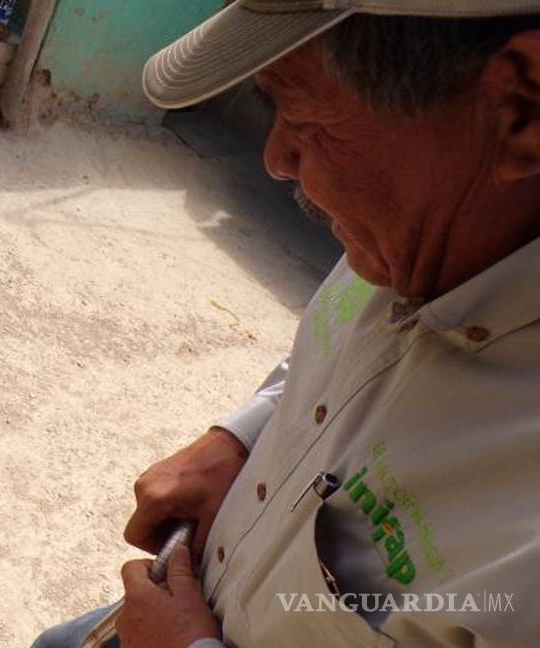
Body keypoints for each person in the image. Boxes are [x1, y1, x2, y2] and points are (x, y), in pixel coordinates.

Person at [34, 1, 540, 646]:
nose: (276, 157)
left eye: (299, 111)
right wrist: (241, 438)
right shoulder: (413, 228)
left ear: (522, 106)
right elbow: (335, 358)